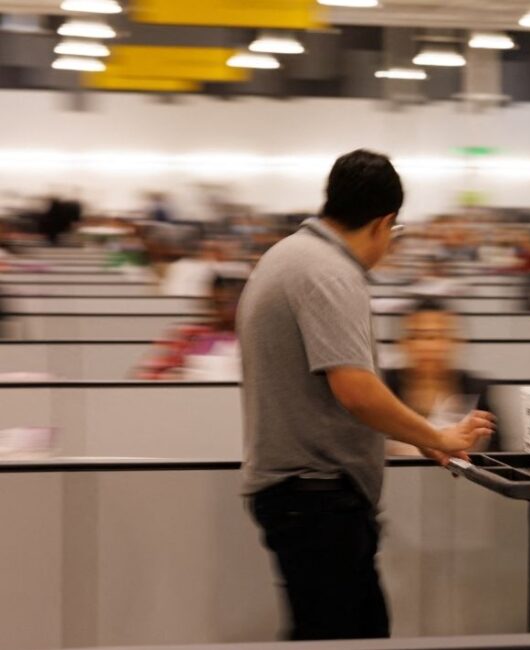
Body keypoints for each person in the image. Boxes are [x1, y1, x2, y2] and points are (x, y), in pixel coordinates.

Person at [238, 149, 495, 641]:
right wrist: (436, 436)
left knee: (339, 632)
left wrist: (418, 437)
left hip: (302, 494)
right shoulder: (330, 272)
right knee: (346, 636)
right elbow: (355, 389)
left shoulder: (288, 255)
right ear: (385, 222)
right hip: (316, 496)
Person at [382, 299, 496, 456]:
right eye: (416, 336)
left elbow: (499, 454)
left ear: (455, 341)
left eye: (438, 336)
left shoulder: (477, 389)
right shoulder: (382, 388)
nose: (428, 346)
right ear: (402, 342)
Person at [135, 274, 245, 380]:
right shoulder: (188, 335)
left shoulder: (255, 341)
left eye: (232, 302)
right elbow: (147, 376)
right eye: (218, 302)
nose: (225, 309)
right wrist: (181, 376)